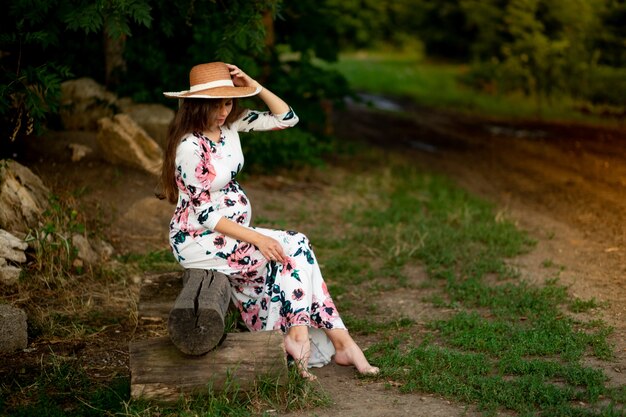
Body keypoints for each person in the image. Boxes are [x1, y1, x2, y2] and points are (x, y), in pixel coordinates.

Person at [160, 61, 378, 379]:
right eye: (216, 104)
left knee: (297, 243)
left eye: (229, 101)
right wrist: (257, 238)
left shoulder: (229, 126)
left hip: (233, 235)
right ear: (197, 105)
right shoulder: (191, 147)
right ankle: (323, 340)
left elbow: (287, 118)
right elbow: (204, 215)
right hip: (198, 239)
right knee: (290, 249)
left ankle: (314, 339)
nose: (223, 111)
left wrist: (255, 86)